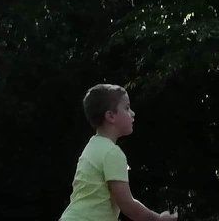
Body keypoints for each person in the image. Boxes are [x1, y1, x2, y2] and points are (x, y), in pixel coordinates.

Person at [59, 85, 175, 221]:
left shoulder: (92, 146)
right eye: (126, 108)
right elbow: (127, 204)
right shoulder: (112, 153)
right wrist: (158, 218)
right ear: (111, 116)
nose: (132, 113)